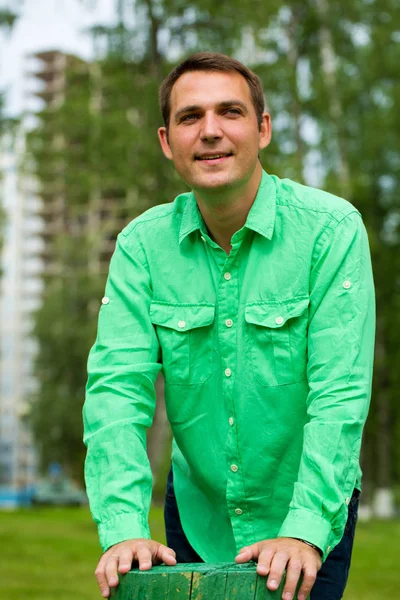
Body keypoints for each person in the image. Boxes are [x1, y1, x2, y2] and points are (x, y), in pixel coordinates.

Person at [83, 52, 375, 600]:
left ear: (262, 129)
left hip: (308, 503)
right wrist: (123, 527)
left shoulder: (331, 232)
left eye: (230, 112)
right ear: (168, 141)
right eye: (191, 117)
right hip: (196, 512)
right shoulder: (141, 247)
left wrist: (304, 531)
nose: (211, 132)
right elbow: (116, 392)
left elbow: (341, 393)